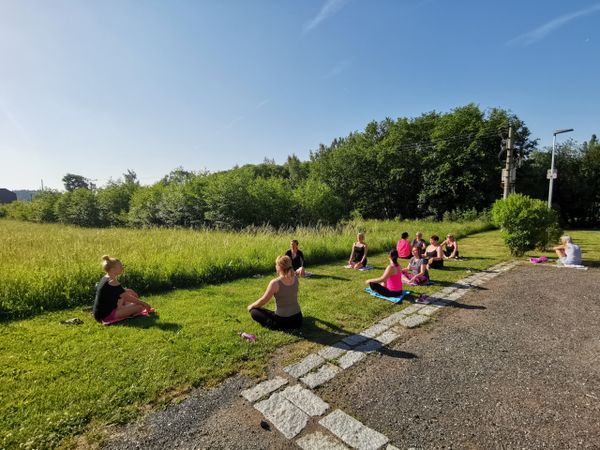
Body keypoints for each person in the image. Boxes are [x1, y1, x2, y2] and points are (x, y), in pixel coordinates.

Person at [93, 255, 154, 325]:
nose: (122, 268)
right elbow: (127, 297)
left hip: (99, 313)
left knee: (125, 298)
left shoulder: (106, 277)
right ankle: (125, 309)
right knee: (140, 307)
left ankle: (123, 309)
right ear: (113, 269)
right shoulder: (112, 281)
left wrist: (130, 290)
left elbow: (118, 291)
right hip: (106, 315)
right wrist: (144, 303)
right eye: (120, 267)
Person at [247, 255, 303, 330]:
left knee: (254, 311)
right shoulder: (295, 278)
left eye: (276, 264)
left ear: (279, 267)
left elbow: (263, 300)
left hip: (283, 322)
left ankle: (272, 323)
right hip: (298, 319)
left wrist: (251, 306)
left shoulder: (275, 283)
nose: (275, 266)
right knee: (266, 311)